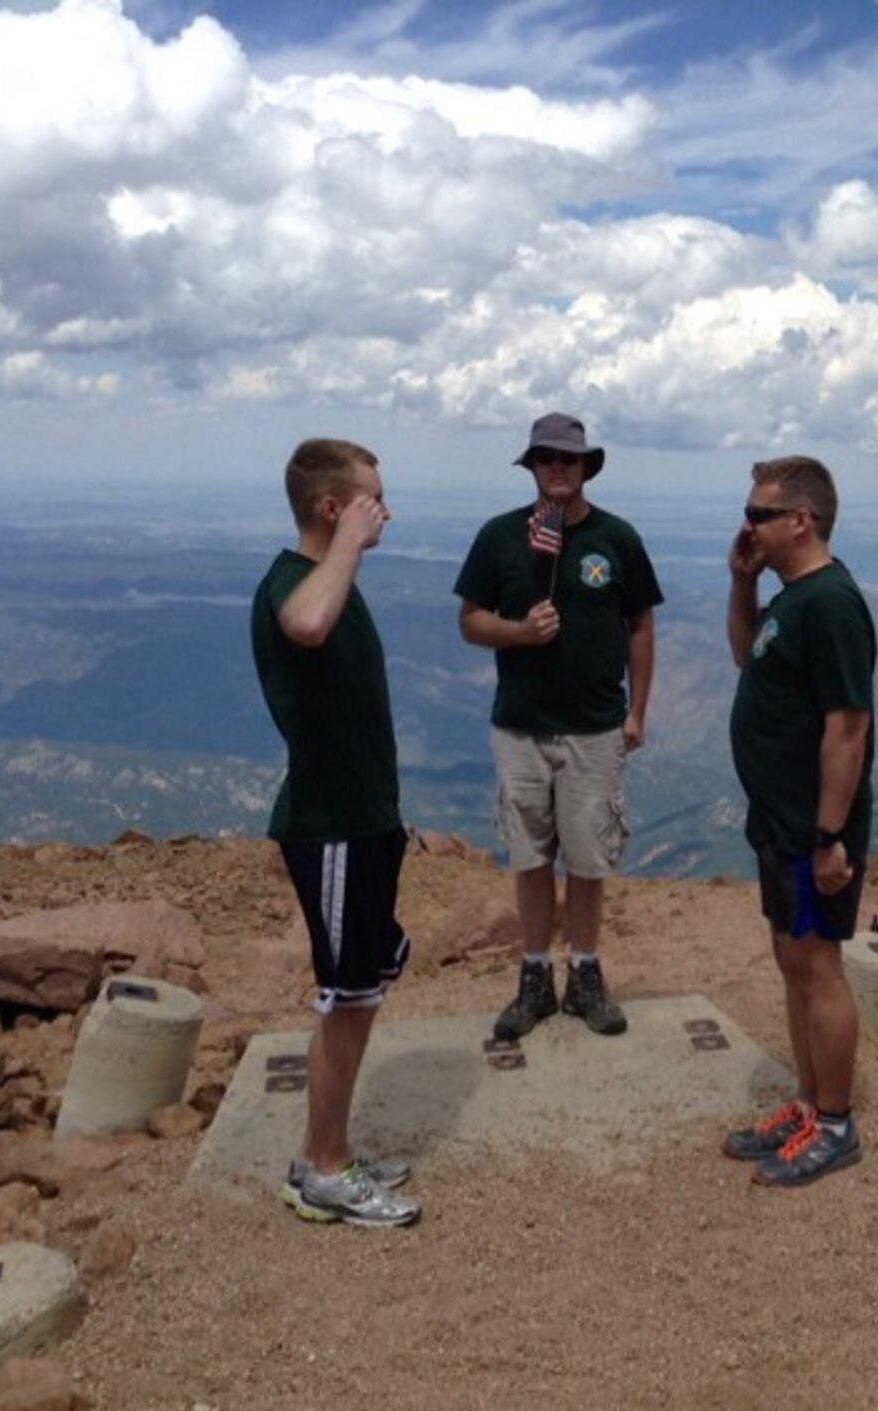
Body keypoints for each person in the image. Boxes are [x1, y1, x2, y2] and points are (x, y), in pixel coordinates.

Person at [251, 438, 420, 1228]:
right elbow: (305, 623)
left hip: (367, 822)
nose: (384, 511)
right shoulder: (297, 584)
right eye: (370, 499)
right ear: (331, 507)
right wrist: (348, 544)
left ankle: (331, 1146)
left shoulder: (335, 581)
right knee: (345, 996)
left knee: (361, 991)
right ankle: (323, 1169)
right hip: (333, 829)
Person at [455, 413, 663, 1042]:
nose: (558, 469)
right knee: (530, 856)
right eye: (546, 459)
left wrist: (638, 711)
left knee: (589, 858)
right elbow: (470, 621)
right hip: (520, 727)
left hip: (595, 727)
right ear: (533, 466)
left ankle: (587, 974)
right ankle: (535, 976)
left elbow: (640, 627)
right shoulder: (500, 538)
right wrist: (519, 632)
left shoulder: (617, 540)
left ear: (585, 467)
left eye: (568, 460)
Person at [720, 456, 876, 1188]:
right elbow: (746, 660)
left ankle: (837, 1125)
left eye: (758, 513)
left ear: (800, 520)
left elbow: (848, 727)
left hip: (813, 830)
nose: (747, 523)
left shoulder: (831, 603)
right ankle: (809, 1103)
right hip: (778, 820)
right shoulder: (789, 597)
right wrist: (742, 581)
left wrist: (828, 837)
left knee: (817, 965)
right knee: (791, 959)